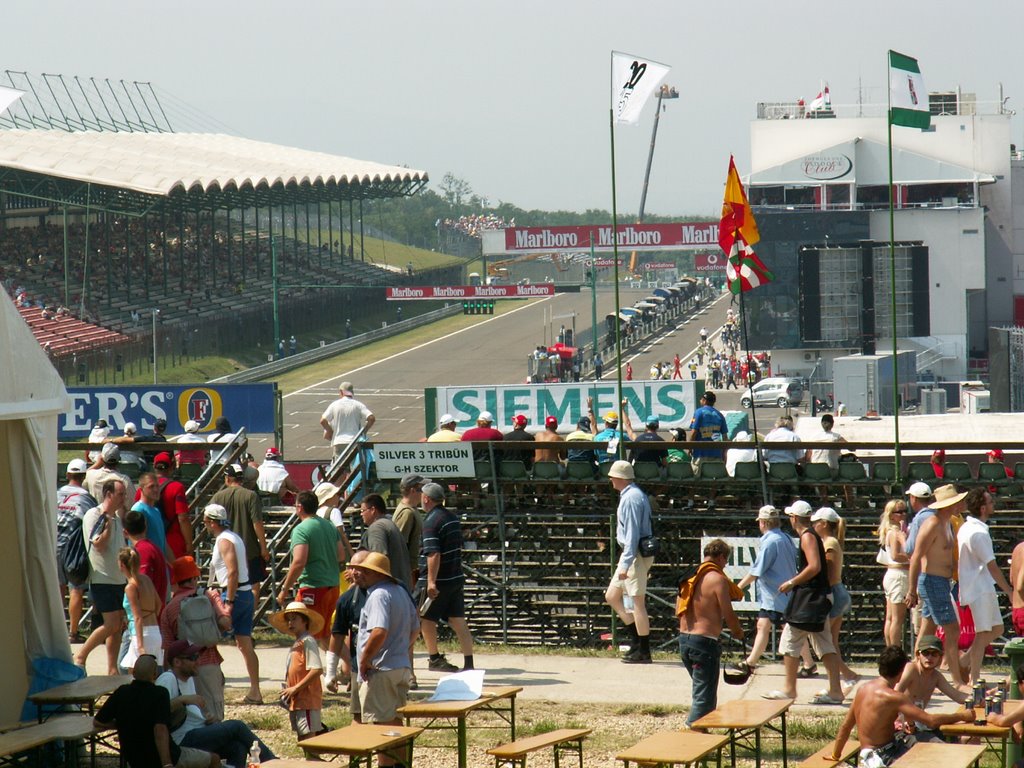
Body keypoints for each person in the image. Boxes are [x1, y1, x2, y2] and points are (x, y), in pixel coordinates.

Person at [829, 646, 973, 767]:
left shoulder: (863, 689)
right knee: (933, 760)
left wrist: (836, 755)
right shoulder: (894, 697)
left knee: (928, 748)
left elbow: (845, 727)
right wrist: (962, 716)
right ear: (901, 670)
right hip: (884, 755)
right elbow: (930, 720)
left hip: (870, 752)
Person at [762, 500, 845, 704]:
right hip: (818, 596)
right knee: (825, 645)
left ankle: (790, 689)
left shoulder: (807, 536)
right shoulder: (811, 536)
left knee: (790, 640)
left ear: (794, 518)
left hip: (810, 598)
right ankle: (836, 691)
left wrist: (792, 581)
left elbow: (815, 566)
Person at [157, 640, 275, 767]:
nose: (198, 661)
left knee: (237, 747)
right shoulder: (168, 679)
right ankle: (272, 761)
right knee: (236, 726)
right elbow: (157, 711)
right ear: (177, 662)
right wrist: (183, 699)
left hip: (198, 731)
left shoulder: (189, 679)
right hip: (182, 739)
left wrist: (207, 719)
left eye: (198, 656)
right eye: (193, 658)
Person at [94, 655, 219, 768]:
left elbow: (97, 721)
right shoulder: (159, 693)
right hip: (160, 757)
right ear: (154, 675)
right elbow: (160, 730)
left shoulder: (122, 692)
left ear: (134, 672)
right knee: (214, 760)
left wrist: (121, 724)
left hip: (133, 758)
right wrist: (167, 763)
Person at [352, 552, 420, 756]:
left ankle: (386, 764)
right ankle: (400, 763)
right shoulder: (399, 591)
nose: (361, 574)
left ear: (378, 574)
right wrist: (399, 648)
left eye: (367, 571)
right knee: (395, 721)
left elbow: (379, 631)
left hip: (381, 669)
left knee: (381, 726)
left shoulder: (378, 594)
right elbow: (416, 627)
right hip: (400, 666)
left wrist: (365, 660)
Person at [905, 484, 969, 689]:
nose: (961, 504)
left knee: (927, 629)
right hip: (932, 581)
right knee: (952, 629)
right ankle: (957, 680)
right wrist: (911, 590)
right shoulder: (932, 523)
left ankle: (912, 675)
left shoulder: (947, 523)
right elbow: (915, 556)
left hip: (942, 581)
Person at [676, 539, 744, 726]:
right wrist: (738, 632)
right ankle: (693, 734)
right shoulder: (717, 579)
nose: (725, 565)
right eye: (726, 561)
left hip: (684, 640)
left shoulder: (690, 576)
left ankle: (701, 733)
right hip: (704, 643)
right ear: (721, 557)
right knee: (704, 698)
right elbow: (728, 613)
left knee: (702, 690)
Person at [202, 504, 263, 704]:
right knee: (244, 643)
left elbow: (232, 571)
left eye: (205, 521)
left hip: (234, 594)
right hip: (244, 594)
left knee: (208, 640)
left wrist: (228, 602)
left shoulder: (224, 540)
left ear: (211, 522)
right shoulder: (234, 537)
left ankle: (214, 685)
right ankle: (255, 690)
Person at [160, 556, 231, 723]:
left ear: (177, 581)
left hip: (184, 669)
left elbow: (168, 648)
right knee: (214, 714)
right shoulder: (209, 596)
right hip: (209, 663)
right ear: (194, 578)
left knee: (192, 717)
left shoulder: (169, 609)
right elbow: (226, 623)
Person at [957, 487, 1013, 684]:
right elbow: (992, 566)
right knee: (982, 634)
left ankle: (965, 661)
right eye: (990, 502)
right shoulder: (978, 533)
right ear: (982, 508)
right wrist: (1009, 591)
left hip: (978, 586)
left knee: (997, 629)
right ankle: (975, 679)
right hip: (979, 587)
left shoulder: (967, 528)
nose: (993, 504)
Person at [417, 482, 474, 672]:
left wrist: (431, 582)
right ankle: (469, 663)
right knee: (458, 620)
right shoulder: (452, 518)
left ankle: (434, 658)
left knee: (424, 619)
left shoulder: (431, 521)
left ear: (426, 498)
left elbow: (433, 554)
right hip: (455, 578)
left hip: (439, 581)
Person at [277, 491, 344, 650]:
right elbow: (341, 555)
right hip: (333, 586)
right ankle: (348, 667)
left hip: (313, 587)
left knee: (305, 633)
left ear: (299, 507)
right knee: (326, 633)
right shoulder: (329, 525)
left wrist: (284, 590)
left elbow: (299, 562)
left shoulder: (301, 529)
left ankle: (308, 671)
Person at [75, 479, 128, 674]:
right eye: (120, 494)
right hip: (102, 578)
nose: (124, 498)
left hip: (118, 579)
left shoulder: (116, 518)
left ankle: (112, 669)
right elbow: (99, 544)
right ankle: (81, 655)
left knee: (117, 626)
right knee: (111, 624)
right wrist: (106, 524)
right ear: (109, 494)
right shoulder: (94, 515)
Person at [604, 460, 655, 664]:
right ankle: (636, 641)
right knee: (612, 596)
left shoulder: (631, 498)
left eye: (612, 475)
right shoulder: (631, 495)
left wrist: (625, 564)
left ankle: (644, 650)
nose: (610, 479)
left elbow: (632, 533)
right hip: (631, 554)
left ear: (620, 478)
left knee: (637, 603)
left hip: (634, 556)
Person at [737, 505, 797, 672]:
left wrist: (738, 588)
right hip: (778, 593)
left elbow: (757, 571)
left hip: (776, 594)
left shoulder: (771, 542)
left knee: (788, 629)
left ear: (762, 523)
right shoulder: (785, 537)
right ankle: (751, 662)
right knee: (764, 625)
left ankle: (808, 663)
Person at [811, 507, 858, 691]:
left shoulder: (829, 543)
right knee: (831, 642)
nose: (813, 525)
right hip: (838, 594)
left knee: (824, 642)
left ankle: (837, 683)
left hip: (833, 594)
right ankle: (847, 675)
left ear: (824, 524)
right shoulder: (830, 541)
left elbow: (829, 575)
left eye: (816, 522)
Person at [210, 463, 269, 600]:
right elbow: (257, 523)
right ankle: (250, 616)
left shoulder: (218, 497)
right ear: (242, 479)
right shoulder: (251, 496)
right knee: (253, 585)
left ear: (227, 478)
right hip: (250, 549)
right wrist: (263, 547)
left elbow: (208, 517)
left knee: (228, 581)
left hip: (224, 548)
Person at [894, 635, 969, 742]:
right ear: (918, 655)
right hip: (903, 726)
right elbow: (894, 696)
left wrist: (978, 699)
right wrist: (905, 720)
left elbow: (957, 696)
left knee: (955, 738)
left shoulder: (936, 676)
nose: (929, 658)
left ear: (940, 657)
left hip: (921, 723)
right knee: (939, 744)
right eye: (925, 653)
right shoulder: (911, 669)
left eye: (934, 654)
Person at [270, 602, 325, 740]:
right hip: (298, 701)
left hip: (307, 699)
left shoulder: (307, 641)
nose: (290, 622)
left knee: (309, 740)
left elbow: (316, 669)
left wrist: (295, 688)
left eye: (294, 618)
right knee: (302, 738)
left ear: (305, 621)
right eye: (288, 619)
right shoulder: (298, 642)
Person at [57, 457, 96, 643]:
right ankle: (73, 632)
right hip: (75, 548)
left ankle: (56, 629)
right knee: (76, 590)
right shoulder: (87, 498)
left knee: (58, 589)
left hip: (54, 543)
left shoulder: (56, 493)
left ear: (67, 475)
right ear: (83, 476)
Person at [119, 546, 164, 671]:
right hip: (155, 631)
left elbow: (137, 617)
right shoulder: (147, 579)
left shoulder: (130, 587)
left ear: (122, 564)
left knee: (130, 673)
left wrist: (140, 645)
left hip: (141, 634)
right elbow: (159, 604)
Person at [358, 493, 413, 589]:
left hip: (386, 589)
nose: (361, 514)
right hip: (400, 588)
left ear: (373, 510)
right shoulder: (390, 524)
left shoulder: (377, 528)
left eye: (363, 510)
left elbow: (378, 560)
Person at [878, 500, 910, 647]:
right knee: (897, 618)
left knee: (891, 618)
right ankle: (895, 649)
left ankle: (891, 648)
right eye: (899, 512)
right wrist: (913, 558)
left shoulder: (892, 531)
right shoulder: (895, 532)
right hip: (899, 574)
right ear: (891, 515)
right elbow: (896, 555)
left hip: (892, 574)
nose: (903, 514)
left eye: (905, 511)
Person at [320, 380, 375, 456]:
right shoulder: (358, 405)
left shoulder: (334, 405)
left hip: (339, 442)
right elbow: (371, 418)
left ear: (341, 392)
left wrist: (331, 432)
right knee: (355, 465)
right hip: (354, 441)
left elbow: (323, 421)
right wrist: (364, 432)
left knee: (340, 467)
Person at [688, 391, 727, 473]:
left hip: (700, 454)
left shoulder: (699, 412)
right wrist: (724, 453)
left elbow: (693, 432)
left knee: (697, 480)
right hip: (716, 454)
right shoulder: (720, 415)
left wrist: (689, 447)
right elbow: (725, 438)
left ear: (704, 400)